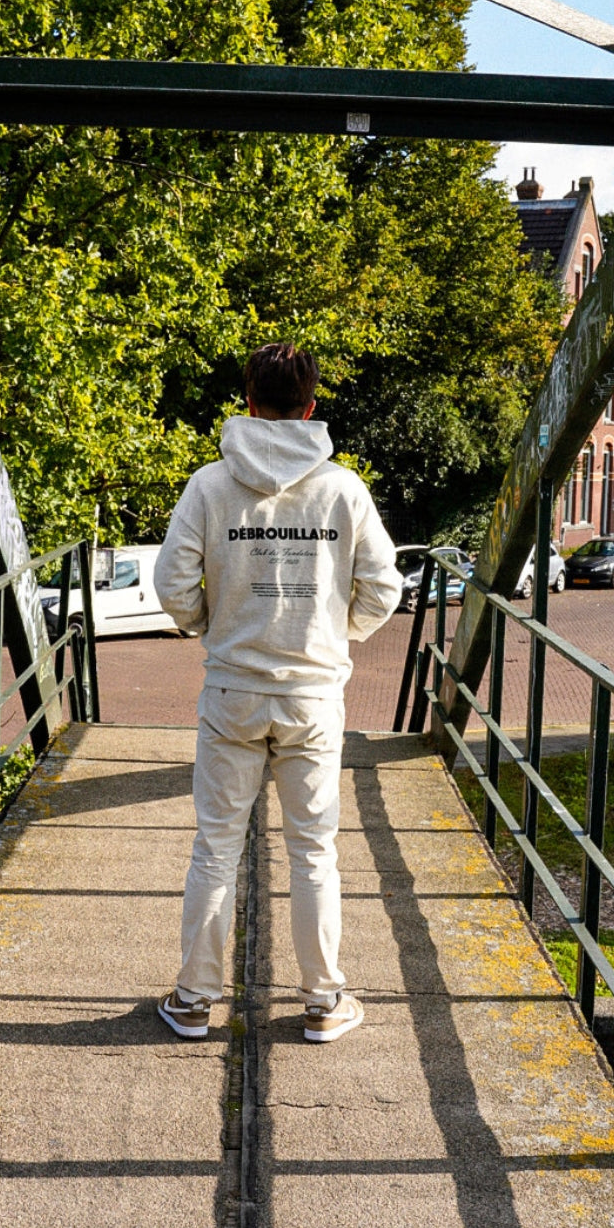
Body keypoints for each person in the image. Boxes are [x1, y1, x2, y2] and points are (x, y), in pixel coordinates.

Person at [154, 343, 402, 1043]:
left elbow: (173, 583)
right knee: (314, 851)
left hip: (232, 689)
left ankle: (195, 1001)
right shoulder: (342, 489)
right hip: (313, 696)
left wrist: (210, 625)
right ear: (312, 407)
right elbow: (386, 587)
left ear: (250, 403)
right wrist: (335, 633)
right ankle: (324, 1003)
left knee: (215, 848)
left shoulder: (210, 485)